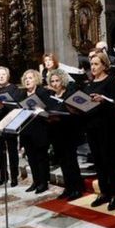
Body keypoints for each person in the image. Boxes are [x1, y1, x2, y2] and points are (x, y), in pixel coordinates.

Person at [83, 53, 115, 210]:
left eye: (96, 64)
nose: (93, 67)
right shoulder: (89, 84)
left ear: (104, 65)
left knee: (109, 161)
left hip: (107, 126)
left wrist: (104, 99)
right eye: (91, 64)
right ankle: (104, 193)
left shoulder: (111, 81)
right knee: (98, 162)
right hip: (92, 126)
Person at [46, 69, 84, 200]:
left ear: (62, 81)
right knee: (62, 161)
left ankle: (77, 188)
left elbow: (75, 113)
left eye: (57, 80)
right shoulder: (50, 96)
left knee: (71, 161)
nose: (55, 83)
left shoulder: (69, 94)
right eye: (52, 81)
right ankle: (68, 188)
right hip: (56, 132)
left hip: (69, 131)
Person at [0, 66, 22, 187]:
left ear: (8, 76)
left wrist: (3, 106)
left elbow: (16, 105)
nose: (1, 76)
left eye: (3, 74)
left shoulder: (14, 89)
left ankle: (14, 177)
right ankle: (3, 176)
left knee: (12, 151)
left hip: (10, 122)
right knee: (0, 152)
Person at [20, 69, 50, 194]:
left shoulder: (42, 92)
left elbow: (48, 109)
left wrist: (40, 109)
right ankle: (36, 181)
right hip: (26, 130)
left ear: (36, 79)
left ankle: (43, 182)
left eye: (30, 78)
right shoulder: (22, 95)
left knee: (41, 158)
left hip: (40, 129)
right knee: (31, 158)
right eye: (26, 78)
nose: (27, 80)